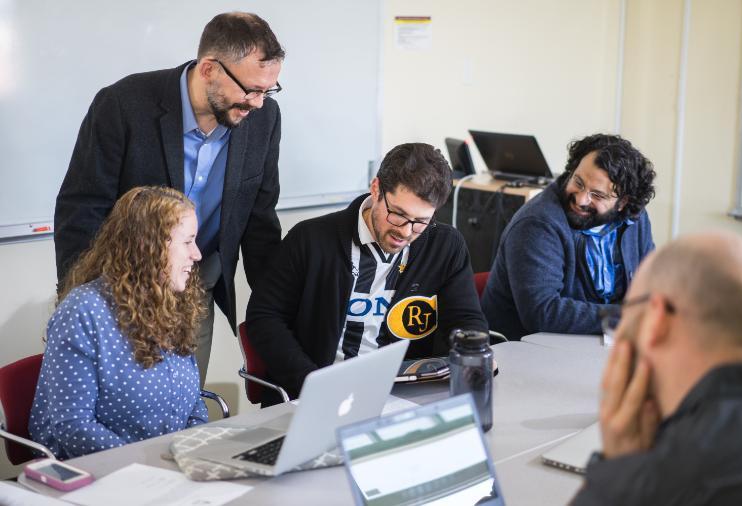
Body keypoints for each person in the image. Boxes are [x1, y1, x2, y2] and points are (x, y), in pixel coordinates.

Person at [53, 12, 285, 386]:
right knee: (124, 409)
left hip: (197, 288)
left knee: (183, 408)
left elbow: (259, 216)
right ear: (209, 69)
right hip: (122, 292)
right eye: (251, 89)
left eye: (268, 90)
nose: (258, 103)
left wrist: (277, 307)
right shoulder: (124, 105)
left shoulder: (264, 118)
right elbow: (82, 208)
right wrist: (79, 303)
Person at [246, 143, 488, 405]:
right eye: (398, 215)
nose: (406, 232)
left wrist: (473, 356)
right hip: (320, 395)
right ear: (376, 189)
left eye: (420, 222)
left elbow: (466, 319)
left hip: (404, 397)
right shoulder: (311, 240)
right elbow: (264, 317)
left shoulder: (445, 246)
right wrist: (312, 384)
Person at [572, 231, 742, 505]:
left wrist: (620, 470)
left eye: (624, 313)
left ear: (656, 317)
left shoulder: (681, 470)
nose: (621, 327)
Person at [30, 187, 209, 459]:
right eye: (187, 242)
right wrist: (147, 462)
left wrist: (195, 451)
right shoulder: (83, 312)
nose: (196, 254)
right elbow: (73, 426)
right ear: (148, 246)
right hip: (98, 474)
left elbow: (193, 403)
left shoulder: (173, 302)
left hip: (167, 470)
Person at [481, 133, 656, 340]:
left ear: (623, 202)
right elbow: (542, 312)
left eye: (597, 195)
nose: (581, 199)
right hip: (526, 349)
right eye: (578, 182)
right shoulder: (537, 224)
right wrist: (624, 316)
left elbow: (650, 282)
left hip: (596, 342)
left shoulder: (634, 218)